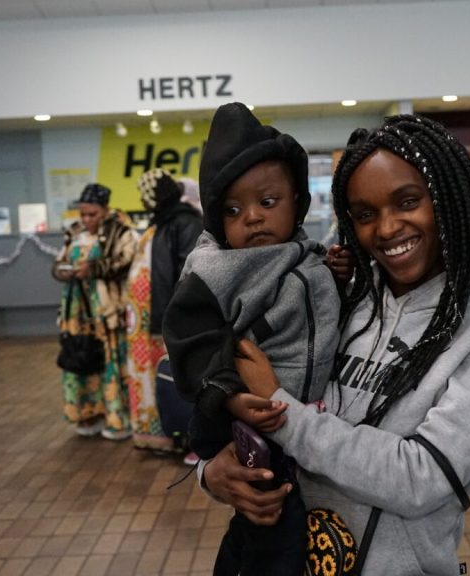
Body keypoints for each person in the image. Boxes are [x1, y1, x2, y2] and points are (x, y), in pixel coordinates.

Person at [202, 115, 470, 575]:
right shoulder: (337, 298)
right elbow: (230, 380)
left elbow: (421, 478)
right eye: (365, 214)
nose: (386, 229)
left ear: (448, 198)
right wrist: (212, 470)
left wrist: (278, 410)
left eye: (407, 202)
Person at [162, 102, 340, 576]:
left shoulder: (300, 253)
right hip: (242, 417)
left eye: (268, 202)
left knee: (253, 528)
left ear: (297, 202)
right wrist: (231, 398)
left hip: (292, 419)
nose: (253, 219)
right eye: (234, 210)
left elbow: (312, 304)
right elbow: (189, 340)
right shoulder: (215, 267)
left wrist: (337, 273)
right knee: (275, 521)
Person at [124, 169, 203, 454]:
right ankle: (157, 434)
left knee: (170, 377)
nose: (143, 202)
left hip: (166, 319)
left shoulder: (184, 222)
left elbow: (187, 273)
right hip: (147, 321)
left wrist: (174, 318)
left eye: (145, 195)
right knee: (151, 378)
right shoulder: (163, 222)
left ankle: (178, 435)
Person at [52, 183, 136, 441]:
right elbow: (57, 262)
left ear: (105, 210)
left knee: (108, 361)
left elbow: (127, 260)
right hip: (76, 312)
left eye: (93, 214)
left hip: (105, 311)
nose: (87, 220)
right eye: (83, 214)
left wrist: (95, 269)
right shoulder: (74, 233)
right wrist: (62, 271)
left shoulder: (121, 231)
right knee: (79, 359)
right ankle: (88, 414)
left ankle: (115, 417)